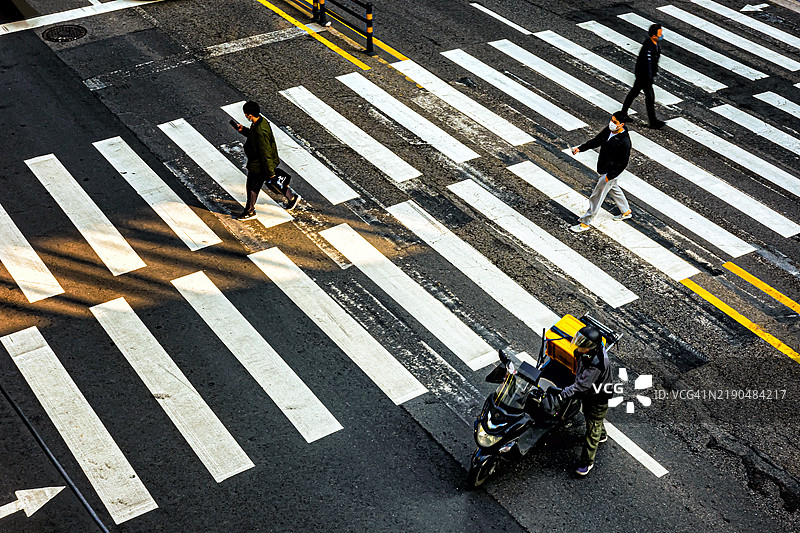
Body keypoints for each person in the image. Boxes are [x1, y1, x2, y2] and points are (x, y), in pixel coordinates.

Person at [547, 326, 613, 476]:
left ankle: (586, 462)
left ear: (591, 347)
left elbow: (581, 386)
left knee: (593, 427)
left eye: (582, 344)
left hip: (598, 397)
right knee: (590, 415)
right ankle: (602, 434)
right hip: (590, 393)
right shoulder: (588, 353)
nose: (578, 345)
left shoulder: (596, 364)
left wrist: (563, 394)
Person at [231, 101, 301, 220]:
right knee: (275, 183)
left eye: (246, 114)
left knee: (253, 187)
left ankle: (250, 211)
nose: (245, 116)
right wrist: (243, 130)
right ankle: (292, 198)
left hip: (259, 165)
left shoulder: (260, 131)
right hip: (262, 164)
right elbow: (254, 136)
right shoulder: (260, 122)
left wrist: (270, 172)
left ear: (249, 115)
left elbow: (265, 153)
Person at [570, 111, 632, 233]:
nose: (611, 123)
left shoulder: (624, 142)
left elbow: (623, 162)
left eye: (615, 122)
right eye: (611, 120)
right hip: (603, 168)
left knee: (596, 197)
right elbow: (596, 141)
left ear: (622, 124)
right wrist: (580, 148)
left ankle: (585, 223)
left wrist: (610, 176)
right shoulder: (609, 130)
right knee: (614, 189)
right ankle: (626, 211)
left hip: (609, 173)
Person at [620, 23, 666, 129]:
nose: (661, 35)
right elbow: (647, 63)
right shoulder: (648, 47)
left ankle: (623, 113)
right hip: (644, 76)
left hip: (644, 75)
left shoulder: (654, 44)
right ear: (654, 35)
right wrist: (649, 76)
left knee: (634, 93)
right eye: (660, 34)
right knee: (649, 97)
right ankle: (653, 121)